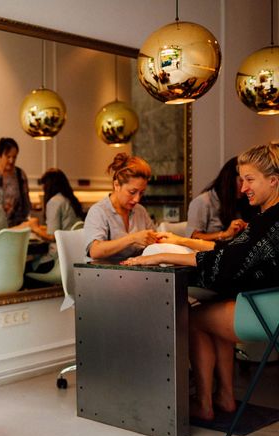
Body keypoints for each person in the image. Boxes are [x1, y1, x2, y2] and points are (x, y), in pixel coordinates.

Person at [122, 143, 279, 421]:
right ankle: (225, 397)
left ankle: (205, 404)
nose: (243, 188)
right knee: (216, 307)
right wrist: (182, 241)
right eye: (242, 180)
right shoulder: (267, 219)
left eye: (250, 179)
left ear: (273, 181)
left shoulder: (270, 222)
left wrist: (161, 258)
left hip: (265, 314)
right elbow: (232, 250)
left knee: (194, 318)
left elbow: (227, 264)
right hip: (268, 306)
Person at [84, 152, 157, 260]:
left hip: (134, 273)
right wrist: (133, 238)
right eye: (132, 192)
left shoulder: (140, 211)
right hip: (104, 274)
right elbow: (95, 251)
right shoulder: (99, 211)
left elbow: (154, 240)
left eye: (141, 193)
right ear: (117, 185)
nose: (137, 199)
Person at [186, 156, 258, 242]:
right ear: (229, 180)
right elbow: (192, 237)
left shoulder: (244, 200)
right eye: (241, 180)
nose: (245, 187)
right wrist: (225, 234)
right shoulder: (202, 202)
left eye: (250, 180)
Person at [27, 168, 85, 272]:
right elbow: (64, 227)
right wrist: (42, 228)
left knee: (23, 268)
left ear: (48, 185)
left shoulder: (54, 202)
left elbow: (52, 236)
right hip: (72, 258)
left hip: (57, 260)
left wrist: (34, 228)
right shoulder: (71, 200)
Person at [0, 137, 32, 227]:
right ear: (0, 155)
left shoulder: (20, 174)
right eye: (8, 157)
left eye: (14, 157)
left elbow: (26, 202)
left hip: (18, 224)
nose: (11, 161)